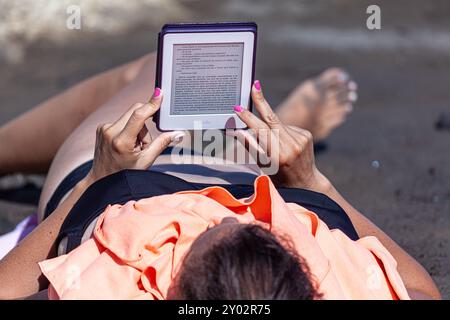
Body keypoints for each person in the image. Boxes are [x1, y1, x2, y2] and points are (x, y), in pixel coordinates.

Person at [0, 53, 440, 300]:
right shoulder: (336, 290)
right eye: (260, 232)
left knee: (159, 73)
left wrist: (94, 182)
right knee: (212, 113)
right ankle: (269, 129)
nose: (228, 216)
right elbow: (422, 291)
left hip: (127, 179)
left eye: (213, 235)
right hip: (252, 177)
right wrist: (312, 184)